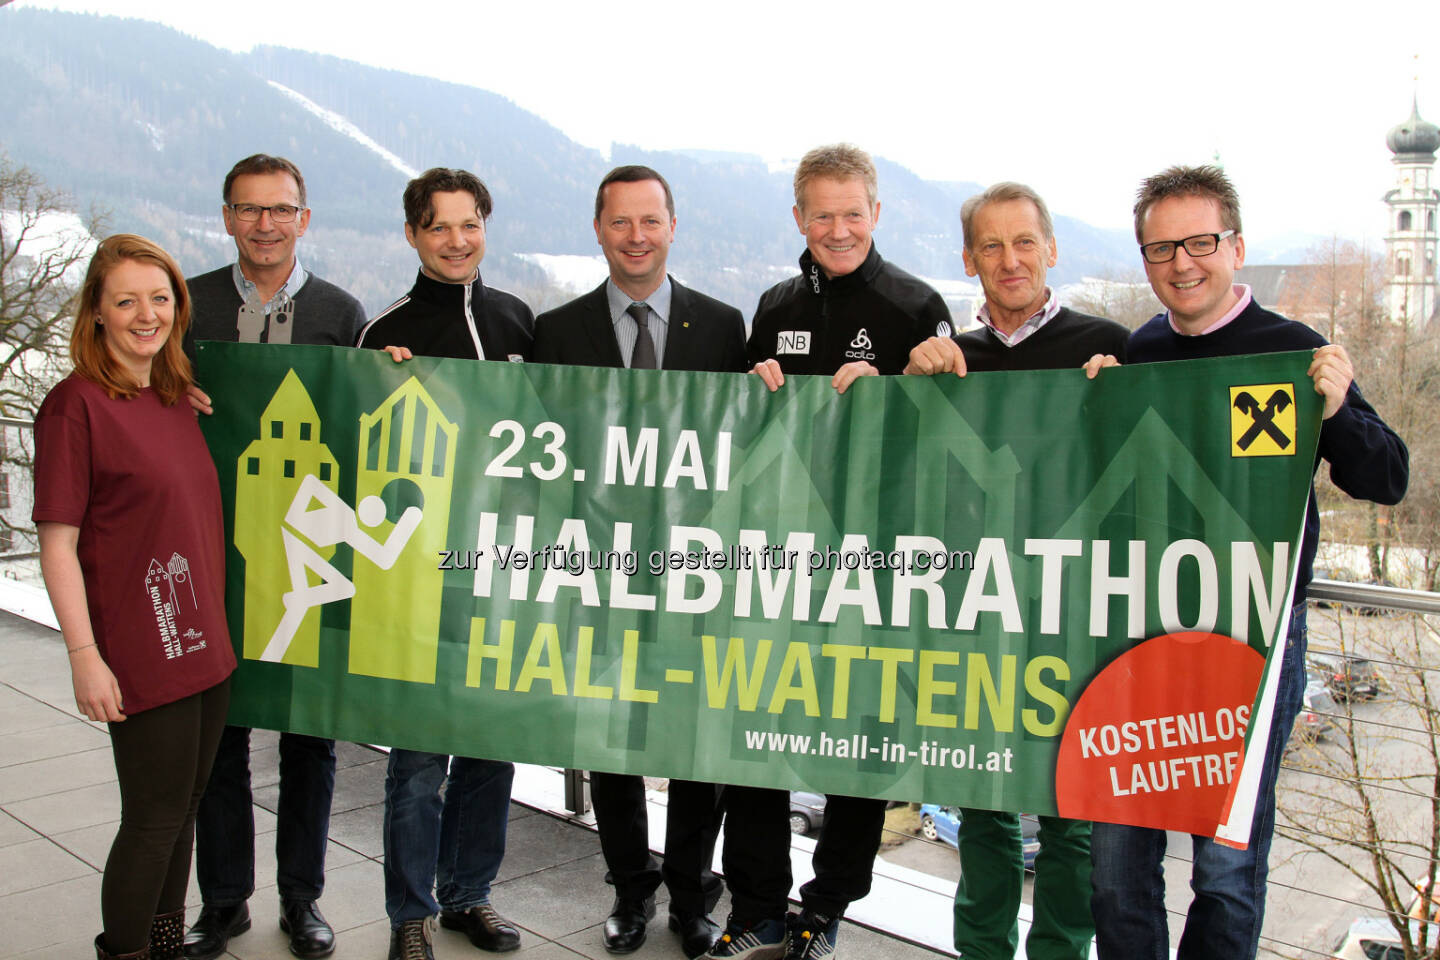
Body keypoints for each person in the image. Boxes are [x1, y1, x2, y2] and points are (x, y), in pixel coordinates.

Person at [1084, 165, 1409, 960]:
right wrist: (1096, 406)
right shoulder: (1143, 349)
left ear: (1235, 246)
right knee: (1118, 868)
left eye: (1199, 241)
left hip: (1254, 647)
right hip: (1140, 634)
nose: (1181, 263)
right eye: (1160, 248)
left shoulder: (1294, 350)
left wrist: (1338, 405)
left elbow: (1387, 478)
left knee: (1226, 869)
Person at [711, 144, 951, 960]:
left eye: (853, 212)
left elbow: (952, 436)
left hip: (873, 572)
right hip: (778, 565)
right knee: (753, 737)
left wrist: (907, 392)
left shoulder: (918, 306)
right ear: (798, 218)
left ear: (876, 214)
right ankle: (754, 909)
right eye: (822, 213)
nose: (838, 228)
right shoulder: (774, 302)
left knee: (855, 747)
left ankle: (825, 910)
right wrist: (757, 383)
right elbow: (743, 433)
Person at [903, 182, 1127, 960]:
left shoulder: (1108, 346)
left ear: (1051, 249)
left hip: (1073, 613)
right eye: (990, 246)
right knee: (984, 807)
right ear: (969, 260)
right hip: (977, 614)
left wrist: (1127, 397)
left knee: (1073, 814)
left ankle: (1062, 953)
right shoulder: (946, 361)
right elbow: (901, 477)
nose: (1009, 260)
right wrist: (903, 387)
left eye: (1024, 242)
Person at [534, 164, 741, 959]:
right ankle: (629, 888)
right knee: (609, 735)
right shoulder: (557, 332)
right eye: (620, 223)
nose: (636, 237)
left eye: (650, 221)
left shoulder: (724, 328)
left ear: (673, 226)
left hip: (696, 573)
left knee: (697, 740)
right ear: (598, 230)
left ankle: (692, 894)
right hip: (599, 571)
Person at [182, 153, 365, 960]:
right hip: (210, 549)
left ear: (304, 219)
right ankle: (222, 902)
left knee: (308, 740)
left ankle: (302, 898)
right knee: (216, 738)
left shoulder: (340, 311)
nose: (265, 224)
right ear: (227, 218)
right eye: (248, 210)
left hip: (301, 553)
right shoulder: (187, 305)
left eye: (280, 210)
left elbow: (359, 423)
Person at [34, 234, 236, 960]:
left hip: (205, 642)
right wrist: (85, 658)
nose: (146, 315)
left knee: (182, 810)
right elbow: (59, 543)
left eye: (160, 298)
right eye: (126, 301)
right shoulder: (73, 407)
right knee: (152, 817)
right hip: (142, 642)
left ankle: (163, 942)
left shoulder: (175, 396)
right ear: (97, 313)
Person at [356, 167, 533, 960]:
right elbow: (359, 462)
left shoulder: (520, 322)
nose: (457, 242)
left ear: (486, 229)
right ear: (412, 236)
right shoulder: (381, 335)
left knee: (492, 750)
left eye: (470, 225)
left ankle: (470, 896)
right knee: (420, 762)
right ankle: (410, 913)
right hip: (419, 579)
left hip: (501, 569)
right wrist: (377, 387)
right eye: (440, 228)